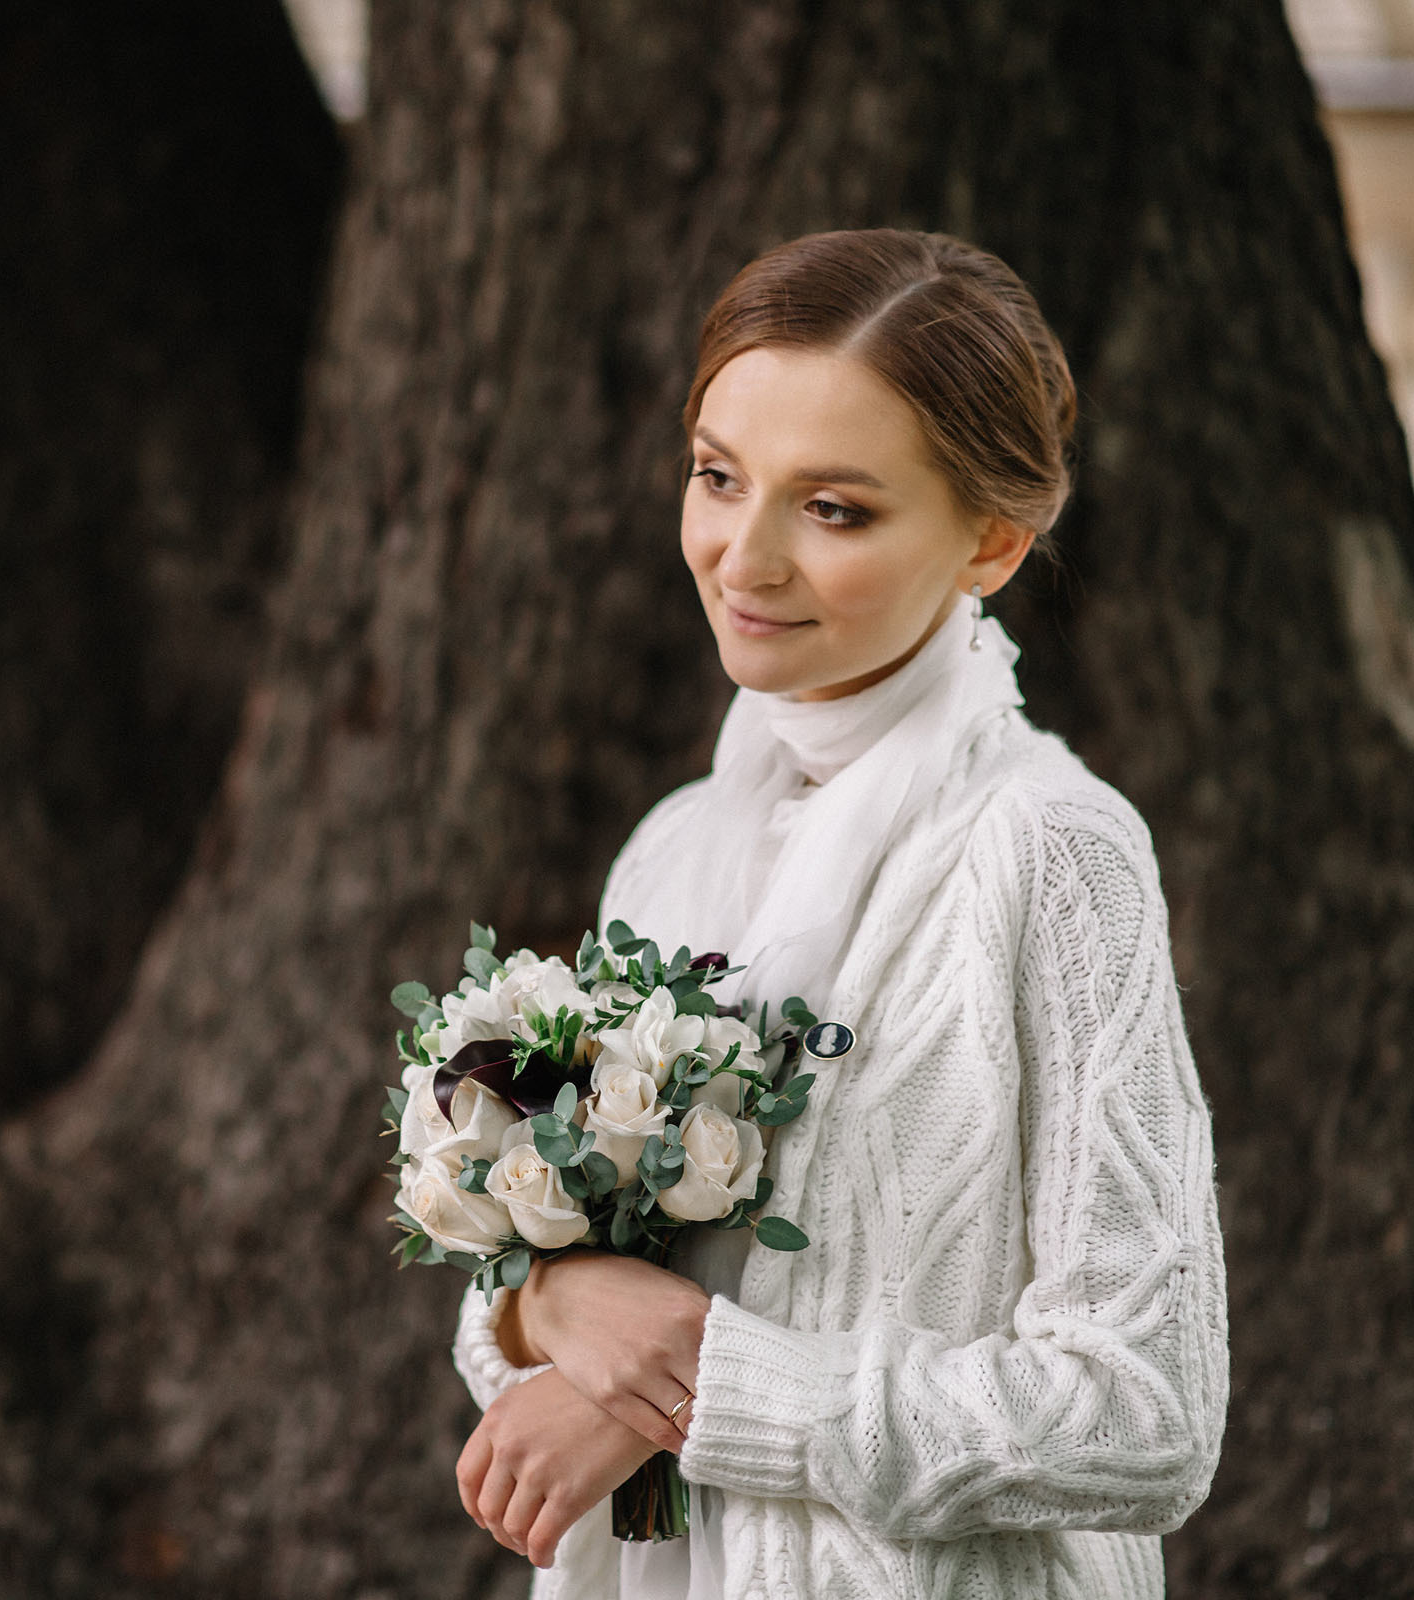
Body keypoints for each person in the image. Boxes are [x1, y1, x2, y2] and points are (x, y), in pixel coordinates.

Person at [448, 229, 1229, 1599]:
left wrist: (698, 1393)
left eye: (836, 510)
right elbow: (529, 1338)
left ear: (993, 539)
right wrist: (542, 1301)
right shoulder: (677, 852)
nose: (743, 559)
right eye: (717, 477)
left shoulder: (1052, 852)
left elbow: (1143, 1417)